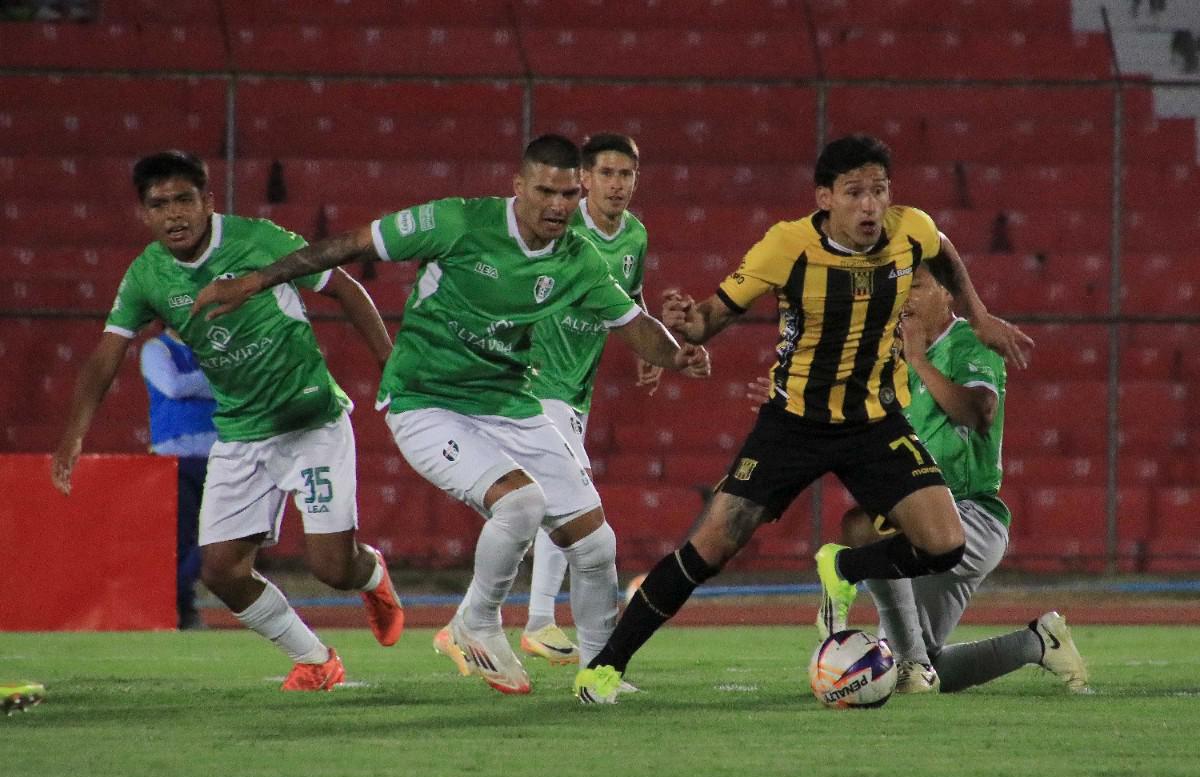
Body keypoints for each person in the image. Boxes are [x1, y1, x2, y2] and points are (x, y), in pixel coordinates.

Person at [190, 134, 711, 696]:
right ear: (518, 187)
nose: (558, 205)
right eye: (545, 191)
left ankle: (598, 673)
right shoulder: (459, 222)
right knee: (523, 502)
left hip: (509, 401)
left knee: (596, 544)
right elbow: (351, 244)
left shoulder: (576, 258)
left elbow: (632, 324)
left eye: (566, 193)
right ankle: (476, 621)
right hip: (425, 401)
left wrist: (676, 354)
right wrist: (255, 280)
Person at [573, 133, 1034, 703]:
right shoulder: (786, 247)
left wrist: (980, 315)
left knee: (945, 545)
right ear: (825, 198)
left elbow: (943, 248)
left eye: (880, 191)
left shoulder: (908, 227)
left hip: (873, 421)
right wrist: (684, 329)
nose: (871, 205)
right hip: (793, 422)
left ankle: (843, 565)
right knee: (711, 546)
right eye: (855, 192)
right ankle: (604, 666)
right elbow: (711, 317)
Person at [51, 150, 404, 692]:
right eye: (158, 204)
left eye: (183, 200)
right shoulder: (147, 274)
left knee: (333, 568)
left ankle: (372, 574)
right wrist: (74, 432)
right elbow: (107, 353)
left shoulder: (258, 239)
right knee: (221, 571)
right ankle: (315, 659)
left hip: (311, 423)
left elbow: (344, 288)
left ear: (207, 201)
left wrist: (388, 360)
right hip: (240, 434)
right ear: (144, 214)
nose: (173, 214)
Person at [749, 261, 1089, 694]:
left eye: (918, 286)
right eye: (900, 289)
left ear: (948, 294)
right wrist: (790, 402)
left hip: (970, 518)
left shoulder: (970, 343)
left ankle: (892, 637)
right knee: (920, 664)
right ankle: (1037, 642)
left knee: (861, 528)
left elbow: (979, 412)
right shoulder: (891, 359)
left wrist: (918, 359)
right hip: (926, 522)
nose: (904, 297)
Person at [516, 132, 660, 667]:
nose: (616, 185)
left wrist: (646, 346)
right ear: (584, 179)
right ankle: (538, 622)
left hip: (579, 388)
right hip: (536, 381)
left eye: (626, 175)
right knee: (576, 503)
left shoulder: (634, 238)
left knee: (543, 504)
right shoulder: (560, 225)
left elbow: (632, 297)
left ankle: (473, 619)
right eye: (606, 174)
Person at [140, 327, 217, 630]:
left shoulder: (213, 344)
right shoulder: (156, 349)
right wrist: (214, 380)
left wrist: (195, 385)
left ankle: (173, 593)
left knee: (219, 534)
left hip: (218, 455)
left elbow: (238, 383)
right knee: (182, 538)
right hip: (174, 458)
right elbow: (172, 386)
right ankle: (183, 605)